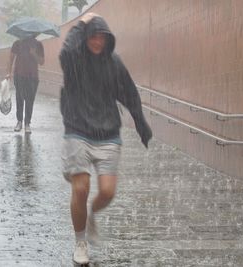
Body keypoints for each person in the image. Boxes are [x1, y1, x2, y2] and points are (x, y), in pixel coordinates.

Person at [59, 12, 152, 264]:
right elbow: (65, 51)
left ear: (108, 39)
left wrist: (141, 122)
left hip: (108, 132)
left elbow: (130, 94)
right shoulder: (74, 59)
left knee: (108, 192)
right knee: (81, 188)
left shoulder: (114, 63)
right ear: (86, 37)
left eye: (102, 37)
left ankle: (91, 216)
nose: (97, 41)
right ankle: (80, 242)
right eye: (93, 36)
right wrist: (81, 23)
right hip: (77, 130)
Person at [6, 34, 44, 134]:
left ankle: (27, 123)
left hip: (33, 77)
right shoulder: (17, 43)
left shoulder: (38, 44)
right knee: (19, 98)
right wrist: (9, 73)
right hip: (19, 75)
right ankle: (19, 122)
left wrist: (34, 54)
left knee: (30, 100)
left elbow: (41, 62)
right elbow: (11, 58)